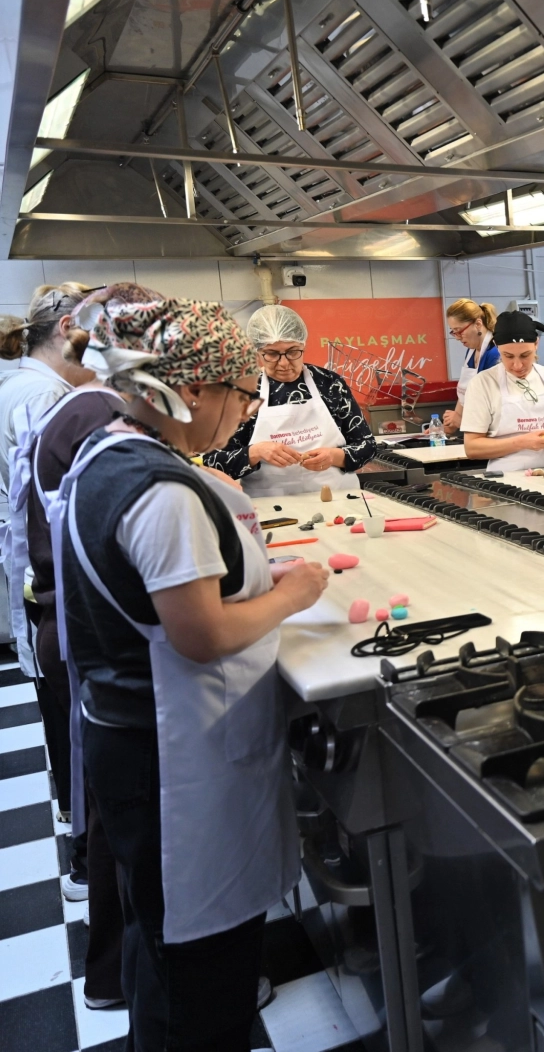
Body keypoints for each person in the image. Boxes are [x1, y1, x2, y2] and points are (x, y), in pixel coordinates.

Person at [57, 295, 329, 1050]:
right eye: (244, 394)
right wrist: (294, 592)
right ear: (195, 389)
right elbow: (202, 635)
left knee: (168, 945)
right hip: (174, 762)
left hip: (141, 740)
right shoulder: (163, 492)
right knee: (199, 970)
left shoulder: (113, 453)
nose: (246, 414)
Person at [13, 283, 164, 1011]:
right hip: (97, 641)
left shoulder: (70, 408)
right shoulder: (94, 415)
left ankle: (115, 978)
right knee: (120, 823)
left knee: (108, 813)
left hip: (75, 632)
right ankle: (121, 978)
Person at [0, 283, 90, 812]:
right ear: (64, 330)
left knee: (60, 706)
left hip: (36, 572)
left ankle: (75, 817)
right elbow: (52, 496)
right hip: (50, 575)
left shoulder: (19, 385)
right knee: (69, 711)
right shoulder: (44, 396)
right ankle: (82, 849)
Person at [203, 305, 376, 496]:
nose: (284, 363)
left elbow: (366, 445)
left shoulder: (329, 384)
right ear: (257, 352)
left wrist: (335, 456)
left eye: (293, 351)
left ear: (303, 345)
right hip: (271, 507)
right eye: (272, 354)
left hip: (339, 500)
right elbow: (212, 461)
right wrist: (256, 452)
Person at [462, 310, 544, 472]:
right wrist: (522, 442)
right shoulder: (482, 384)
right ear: (497, 346)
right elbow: (472, 448)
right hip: (506, 480)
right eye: (508, 356)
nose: (517, 365)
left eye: (525, 355)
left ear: (536, 344)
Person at [443, 298, 499, 435]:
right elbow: (464, 394)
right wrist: (445, 427)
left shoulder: (495, 354)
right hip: (474, 429)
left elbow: (497, 414)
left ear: (478, 324)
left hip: (491, 436)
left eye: (459, 331)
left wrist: (461, 422)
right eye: (453, 331)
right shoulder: (472, 351)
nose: (457, 337)